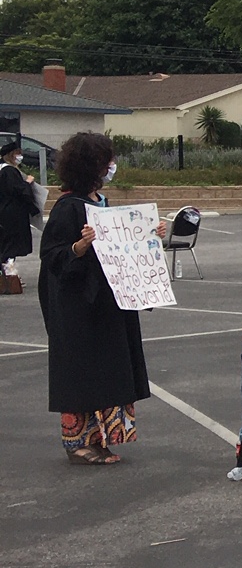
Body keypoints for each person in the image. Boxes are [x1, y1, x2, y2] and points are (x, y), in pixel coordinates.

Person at [38, 131, 169, 463]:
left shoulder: (101, 205)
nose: (112, 166)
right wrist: (78, 248)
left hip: (108, 305)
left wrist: (149, 235)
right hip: (79, 308)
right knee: (81, 372)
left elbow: (122, 249)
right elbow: (53, 257)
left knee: (109, 371)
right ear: (89, 166)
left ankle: (103, 440)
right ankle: (79, 444)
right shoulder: (68, 208)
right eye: (105, 161)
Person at [1, 140, 37, 281]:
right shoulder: (9, 171)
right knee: (10, 246)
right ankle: (10, 277)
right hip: (12, 214)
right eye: (17, 154)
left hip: (5, 211)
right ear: (10, 155)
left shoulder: (3, 169)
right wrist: (27, 183)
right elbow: (19, 191)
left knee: (6, 244)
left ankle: (8, 275)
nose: (20, 156)